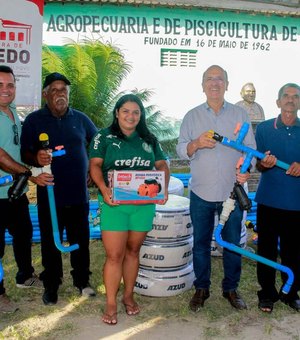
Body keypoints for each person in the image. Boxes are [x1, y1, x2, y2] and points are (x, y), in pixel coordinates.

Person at [176, 65, 256, 312]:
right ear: (202, 86)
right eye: (209, 79)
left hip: (230, 192)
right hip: (200, 192)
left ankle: (231, 289)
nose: (214, 83)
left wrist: (246, 169)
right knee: (200, 242)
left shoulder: (240, 115)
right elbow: (180, 150)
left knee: (231, 243)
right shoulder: (192, 116)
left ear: (227, 85)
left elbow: (250, 150)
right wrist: (196, 143)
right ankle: (202, 289)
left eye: (219, 79)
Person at [89, 94, 170, 325]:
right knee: (114, 255)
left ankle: (128, 296)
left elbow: (162, 164)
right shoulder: (102, 137)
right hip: (113, 204)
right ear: (117, 112)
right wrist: (104, 189)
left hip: (142, 206)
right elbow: (94, 165)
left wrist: (162, 187)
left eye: (136, 112)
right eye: (126, 111)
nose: (131, 116)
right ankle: (111, 303)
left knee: (133, 251)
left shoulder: (149, 139)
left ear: (140, 115)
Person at [20, 72, 98, 305]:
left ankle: (82, 281)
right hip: (50, 194)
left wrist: (93, 172)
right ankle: (52, 284)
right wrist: (36, 156)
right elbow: (25, 153)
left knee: (81, 239)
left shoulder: (81, 120)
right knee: (49, 240)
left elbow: (97, 145)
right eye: (54, 90)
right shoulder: (34, 121)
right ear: (45, 94)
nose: (60, 94)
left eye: (63, 90)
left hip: (78, 194)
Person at [0, 65, 51, 314]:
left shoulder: (12, 114)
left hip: (15, 192)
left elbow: (18, 154)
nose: (6, 90)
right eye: (0, 85)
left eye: (10, 85)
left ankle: (24, 276)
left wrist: (31, 176)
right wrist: (27, 173)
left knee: (23, 234)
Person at [255, 83, 300, 313]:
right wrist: (264, 163)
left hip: (296, 203)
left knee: (294, 251)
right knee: (266, 250)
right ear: (278, 101)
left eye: (295, 96)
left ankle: (291, 293)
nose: (290, 100)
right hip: (269, 201)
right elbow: (257, 165)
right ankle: (267, 294)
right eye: (286, 96)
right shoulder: (263, 129)